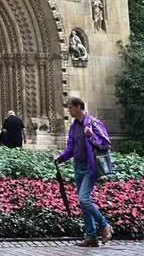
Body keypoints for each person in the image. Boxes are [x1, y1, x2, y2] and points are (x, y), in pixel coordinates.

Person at [54, 96, 113, 247]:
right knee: (83, 203)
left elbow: (106, 143)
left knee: (84, 199)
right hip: (78, 167)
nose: (69, 110)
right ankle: (91, 237)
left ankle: (105, 224)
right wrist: (62, 157)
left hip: (90, 167)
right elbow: (71, 148)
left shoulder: (93, 123)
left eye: (70, 107)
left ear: (79, 107)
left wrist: (91, 136)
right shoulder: (74, 126)